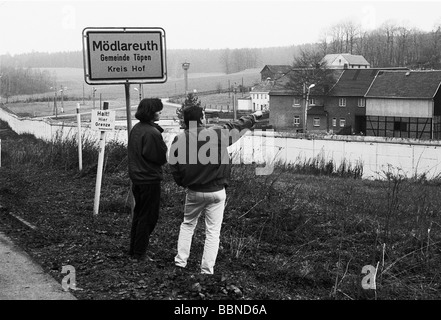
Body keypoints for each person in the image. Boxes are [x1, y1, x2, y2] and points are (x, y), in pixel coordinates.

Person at [169, 106, 263, 274]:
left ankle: (180, 262)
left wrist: (183, 183)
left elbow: (174, 166)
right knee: (213, 232)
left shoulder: (179, 139)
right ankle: (207, 270)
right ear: (201, 118)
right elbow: (236, 126)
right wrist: (253, 117)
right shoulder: (216, 134)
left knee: (188, 224)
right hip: (217, 191)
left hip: (193, 191)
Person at [127, 98, 168, 262]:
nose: (160, 113)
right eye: (158, 110)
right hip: (149, 178)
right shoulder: (152, 133)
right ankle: (139, 253)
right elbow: (159, 157)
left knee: (139, 214)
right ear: (150, 112)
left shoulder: (137, 129)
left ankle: (134, 249)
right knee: (148, 217)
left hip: (137, 178)